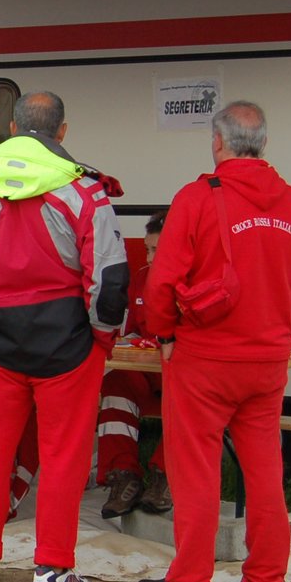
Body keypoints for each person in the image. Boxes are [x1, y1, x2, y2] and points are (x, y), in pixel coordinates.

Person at [0, 91, 128, 582]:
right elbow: (108, 281)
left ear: (13, 127)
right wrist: (101, 341)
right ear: (62, 132)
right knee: (63, 458)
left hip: (0, 344)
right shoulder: (85, 192)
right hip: (69, 346)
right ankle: (52, 571)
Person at [138, 101, 291, 582]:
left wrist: (166, 334)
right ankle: (265, 579)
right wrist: (283, 339)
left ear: (218, 143)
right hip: (266, 365)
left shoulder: (196, 199)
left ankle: (191, 579)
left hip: (202, 361)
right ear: (263, 144)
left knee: (195, 470)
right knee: (264, 471)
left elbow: (162, 283)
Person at [96, 210, 173, 517]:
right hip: (149, 376)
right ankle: (124, 476)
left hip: (183, 377)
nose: (150, 257)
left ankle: (164, 477)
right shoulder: (140, 278)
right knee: (115, 381)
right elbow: (128, 333)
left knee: (192, 394)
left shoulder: (196, 282)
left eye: (157, 250)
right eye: (148, 249)